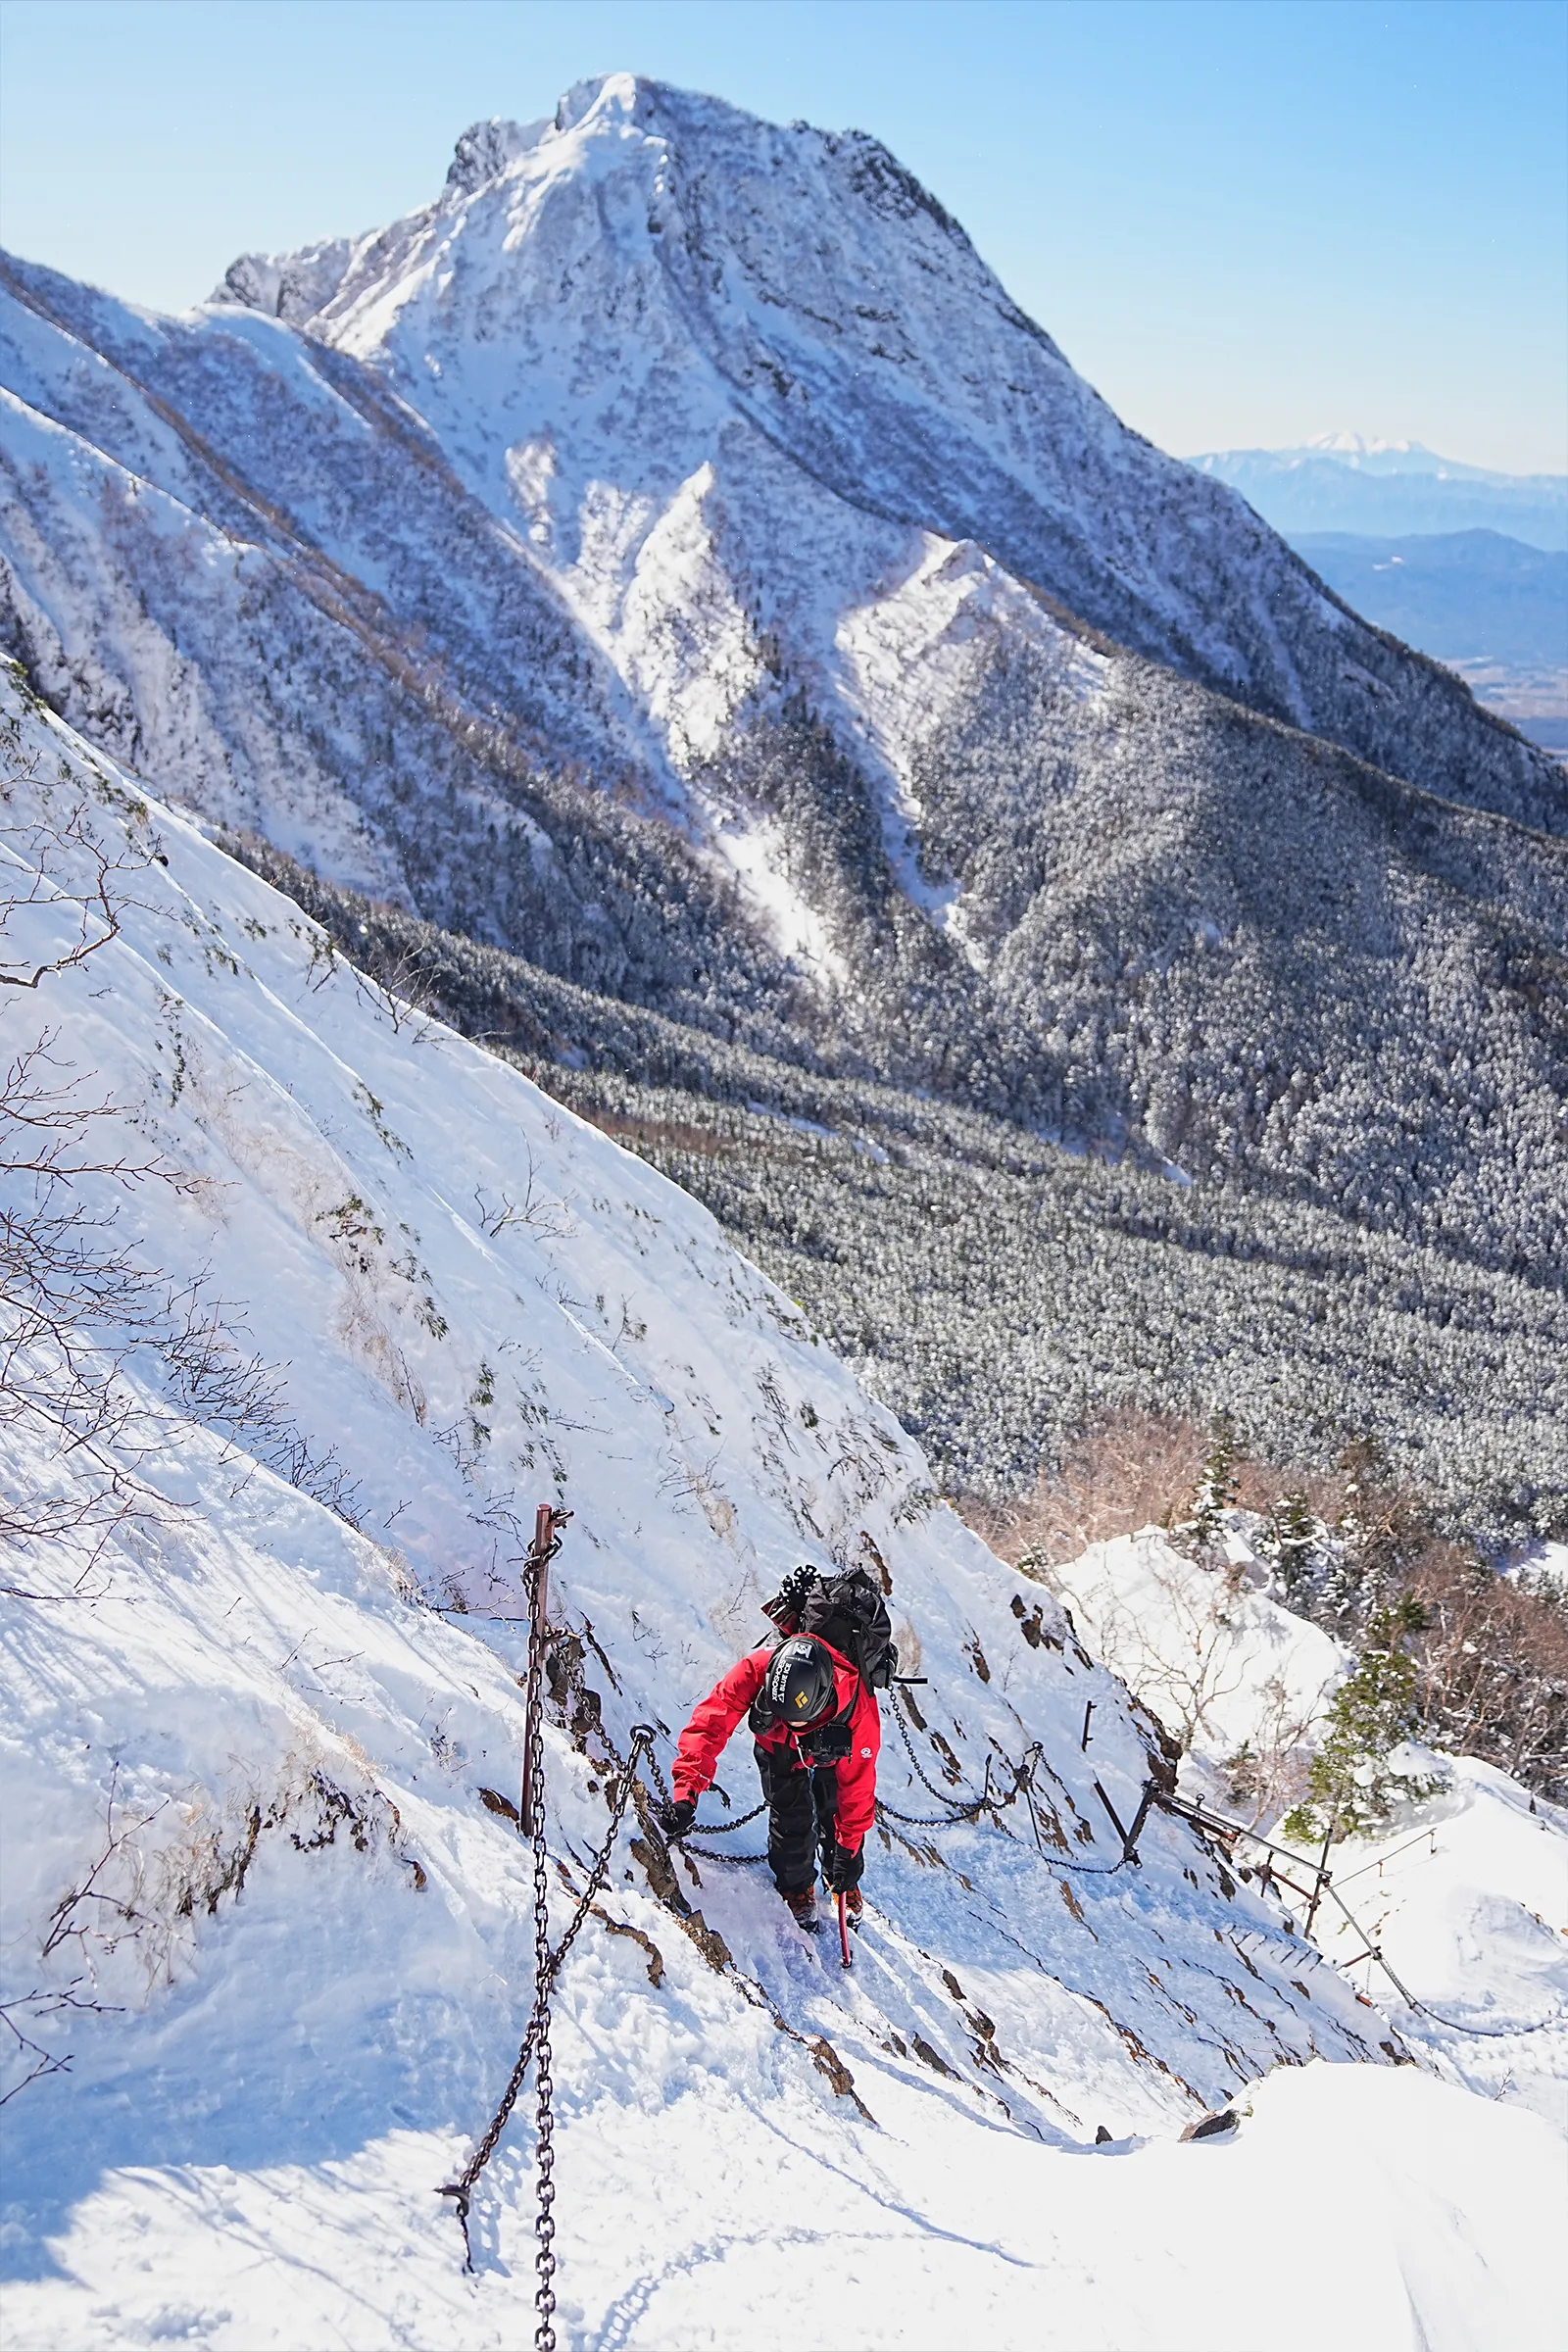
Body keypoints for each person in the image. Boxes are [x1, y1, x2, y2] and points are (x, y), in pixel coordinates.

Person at [657, 1629, 881, 1933]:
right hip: (777, 1748)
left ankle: (841, 1880)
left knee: (832, 1805)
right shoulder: (755, 1669)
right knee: (790, 1814)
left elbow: (857, 1791)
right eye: (781, 1715)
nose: (790, 1725)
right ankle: (796, 1888)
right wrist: (686, 1793)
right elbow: (709, 1727)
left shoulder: (857, 1710)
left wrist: (848, 1854)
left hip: (831, 1749)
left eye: (796, 1721)